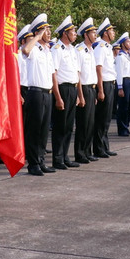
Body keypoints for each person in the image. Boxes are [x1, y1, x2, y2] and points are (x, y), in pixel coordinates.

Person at [21, 14, 58, 175]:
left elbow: (52, 74)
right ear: (38, 33)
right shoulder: (34, 49)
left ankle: (41, 160)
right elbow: (26, 49)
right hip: (35, 93)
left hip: (47, 93)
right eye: (45, 31)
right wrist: (36, 36)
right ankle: (33, 164)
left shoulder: (47, 52)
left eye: (49, 31)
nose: (48, 33)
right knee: (34, 130)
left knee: (43, 131)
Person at [51, 15, 82, 169]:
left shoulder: (72, 50)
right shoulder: (57, 49)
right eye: (73, 32)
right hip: (62, 89)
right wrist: (57, 97)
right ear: (65, 33)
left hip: (72, 89)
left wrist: (77, 93)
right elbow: (54, 74)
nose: (75, 34)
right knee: (60, 126)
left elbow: (76, 73)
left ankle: (65, 156)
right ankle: (57, 159)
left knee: (69, 126)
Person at [93, 18, 118, 157]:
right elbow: (98, 69)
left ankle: (104, 146)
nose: (114, 33)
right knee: (101, 118)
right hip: (104, 85)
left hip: (110, 83)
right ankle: (98, 148)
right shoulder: (101, 48)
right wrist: (101, 90)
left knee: (107, 118)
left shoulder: (108, 47)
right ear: (105, 33)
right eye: (112, 30)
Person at [74, 18, 98, 162]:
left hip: (92, 89)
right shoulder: (80, 50)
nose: (95, 35)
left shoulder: (91, 50)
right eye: (93, 33)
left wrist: (94, 93)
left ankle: (88, 151)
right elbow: (78, 75)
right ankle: (80, 153)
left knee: (90, 123)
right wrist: (80, 95)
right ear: (85, 34)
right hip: (83, 88)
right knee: (83, 123)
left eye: (95, 33)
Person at [114, 31, 130, 136]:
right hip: (124, 81)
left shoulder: (128, 56)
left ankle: (126, 126)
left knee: (129, 105)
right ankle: (122, 128)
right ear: (122, 44)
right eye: (128, 42)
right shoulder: (120, 56)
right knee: (123, 106)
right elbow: (119, 73)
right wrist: (120, 87)